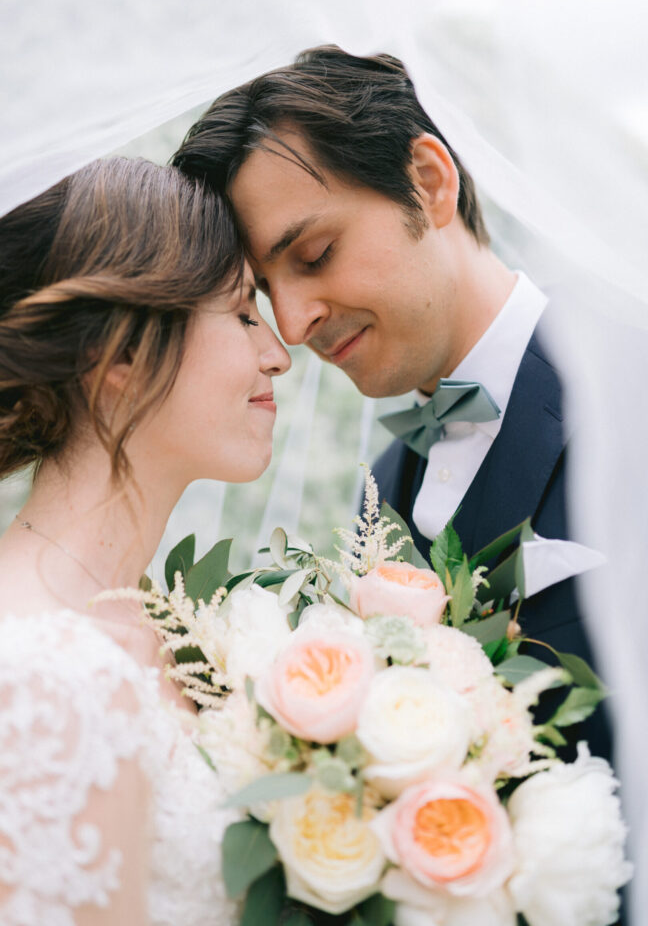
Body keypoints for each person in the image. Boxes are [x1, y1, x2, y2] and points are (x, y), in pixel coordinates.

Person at [171, 45, 611, 763]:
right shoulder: (383, 492)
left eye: (313, 255)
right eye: (261, 292)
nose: (291, 323)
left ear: (429, 182)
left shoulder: (637, 406)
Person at [0, 156, 290, 925]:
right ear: (120, 354)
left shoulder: (171, 631)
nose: (279, 354)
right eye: (240, 312)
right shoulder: (37, 668)